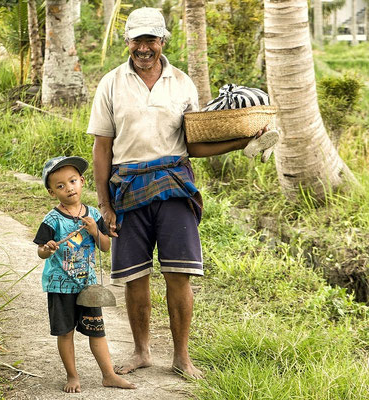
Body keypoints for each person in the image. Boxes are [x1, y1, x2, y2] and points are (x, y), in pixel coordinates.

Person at [87, 7, 275, 379]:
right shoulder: (111, 83)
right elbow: (102, 147)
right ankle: (142, 353)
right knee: (135, 276)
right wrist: (105, 204)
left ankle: (181, 358)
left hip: (175, 186)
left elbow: (194, 144)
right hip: (127, 188)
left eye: (151, 40)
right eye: (137, 40)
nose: (144, 48)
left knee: (179, 274)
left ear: (162, 41)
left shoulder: (183, 82)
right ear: (127, 41)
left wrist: (239, 143)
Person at [33, 156, 136, 393]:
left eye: (72, 181)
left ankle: (108, 375)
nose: (68, 188)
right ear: (52, 192)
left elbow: (105, 246)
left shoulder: (92, 215)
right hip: (61, 286)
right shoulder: (52, 220)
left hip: (87, 286)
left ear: (81, 181)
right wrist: (46, 249)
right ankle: (72, 375)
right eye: (60, 186)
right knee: (65, 332)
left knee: (96, 331)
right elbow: (41, 251)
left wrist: (94, 230)